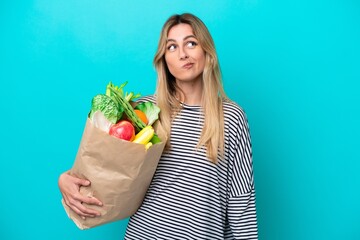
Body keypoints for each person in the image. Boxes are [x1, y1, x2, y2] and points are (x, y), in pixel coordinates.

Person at [59, 13, 258, 239]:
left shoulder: (231, 117)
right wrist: (65, 179)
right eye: (172, 47)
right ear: (164, 60)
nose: (183, 54)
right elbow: (103, 164)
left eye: (191, 43)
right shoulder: (144, 113)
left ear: (206, 51)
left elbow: (241, 201)